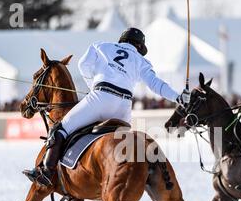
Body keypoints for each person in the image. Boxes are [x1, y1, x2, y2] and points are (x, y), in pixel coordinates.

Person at [24, 27, 191, 187]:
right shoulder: (142, 61)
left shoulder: (101, 46)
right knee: (124, 148)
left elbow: (83, 64)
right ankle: (127, 187)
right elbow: (156, 85)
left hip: (100, 98)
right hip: (123, 107)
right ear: (139, 46)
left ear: (122, 40)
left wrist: (93, 86)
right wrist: (178, 97)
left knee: (60, 129)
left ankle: (45, 172)